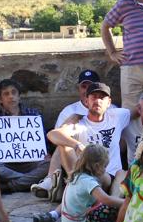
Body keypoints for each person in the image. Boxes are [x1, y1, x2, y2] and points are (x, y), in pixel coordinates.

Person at [47, 82, 133, 196]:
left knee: (122, 173)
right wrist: (76, 145)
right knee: (64, 144)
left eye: (102, 97)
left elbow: (141, 110)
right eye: (94, 97)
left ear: (109, 103)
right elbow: (52, 135)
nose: (98, 100)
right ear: (86, 101)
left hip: (107, 176)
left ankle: (72, 193)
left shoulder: (118, 116)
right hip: (83, 175)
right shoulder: (77, 121)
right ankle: (68, 184)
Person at [32, 144, 123, 222]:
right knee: (111, 206)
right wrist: (127, 202)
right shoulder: (88, 181)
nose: (105, 170)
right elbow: (106, 200)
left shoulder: (77, 176)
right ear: (97, 166)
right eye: (104, 166)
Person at [29, 69, 100, 199]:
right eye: (84, 86)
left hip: (100, 153)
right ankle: (51, 180)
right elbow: (55, 138)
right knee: (62, 143)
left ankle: (58, 185)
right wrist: (76, 143)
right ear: (79, 89)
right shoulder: (69, 110)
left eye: (91, 86)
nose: (86, 90)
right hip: (75, 155)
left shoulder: (112, 110)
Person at [0, 79, 49, 194]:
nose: (11, 96)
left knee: (49, 164)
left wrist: (44, 152)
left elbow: (41, 139)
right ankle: (29, 181)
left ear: (19, 96)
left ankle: (12, 186)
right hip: (7, 165)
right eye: (6, 94)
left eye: (14, 92)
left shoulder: (33, 115)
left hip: (31, 161)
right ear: (0, 100)